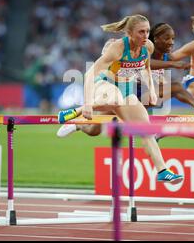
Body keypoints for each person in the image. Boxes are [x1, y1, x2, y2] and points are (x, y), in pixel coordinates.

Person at [57, 14, 183, 184]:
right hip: (103, 84)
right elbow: (89, 74)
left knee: (145, 129)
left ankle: (162, 171)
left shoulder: (148, 47)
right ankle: (76, 111)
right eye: (141, 32)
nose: (146, 36)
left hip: (126, 89)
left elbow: (146, 67)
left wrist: (152, 89)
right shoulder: (117, 48)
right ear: (129, 33)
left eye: (147, 31)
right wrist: (86, 103)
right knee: (115, 99)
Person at [56, 22, 194, 143]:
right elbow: (145, 63)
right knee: (93, 129)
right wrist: (171, 65)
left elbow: (160, 63)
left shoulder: (163, 53)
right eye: (167, 38)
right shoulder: (134, 48)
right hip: (125, 91)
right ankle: (77, 122)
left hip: (141, 97)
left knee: (94, 130)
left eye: (173, 39)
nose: (171, 42)